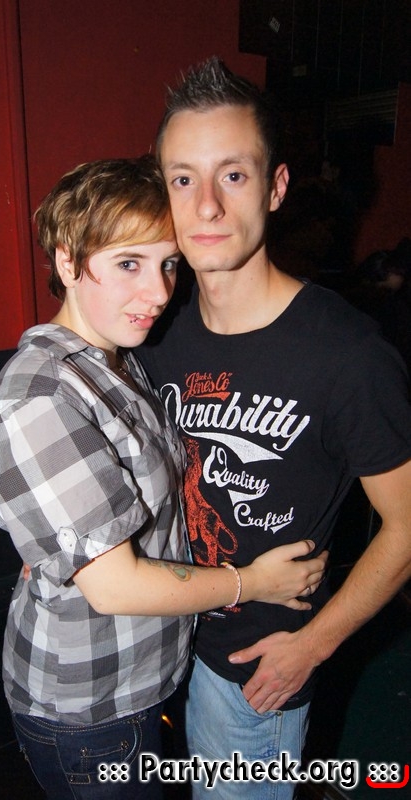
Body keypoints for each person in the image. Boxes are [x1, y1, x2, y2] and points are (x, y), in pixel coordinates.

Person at [0, 155, 326, 800]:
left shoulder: (114, 359)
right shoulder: (42, 397)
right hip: (88, 707)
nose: (161, 292)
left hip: (135, 678)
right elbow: (116, 586)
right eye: (128, 264)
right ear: (66, 262)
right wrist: (254, 582)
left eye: (168, 264)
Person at [138, 57, 411, 798]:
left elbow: (406, 525)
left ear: (277, 187)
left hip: (253, 672)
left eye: (233, 175)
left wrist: (313, 646)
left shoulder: (347, 354)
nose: (206, 206)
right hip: (167, 635)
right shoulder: (155, 330)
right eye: (183, 179)